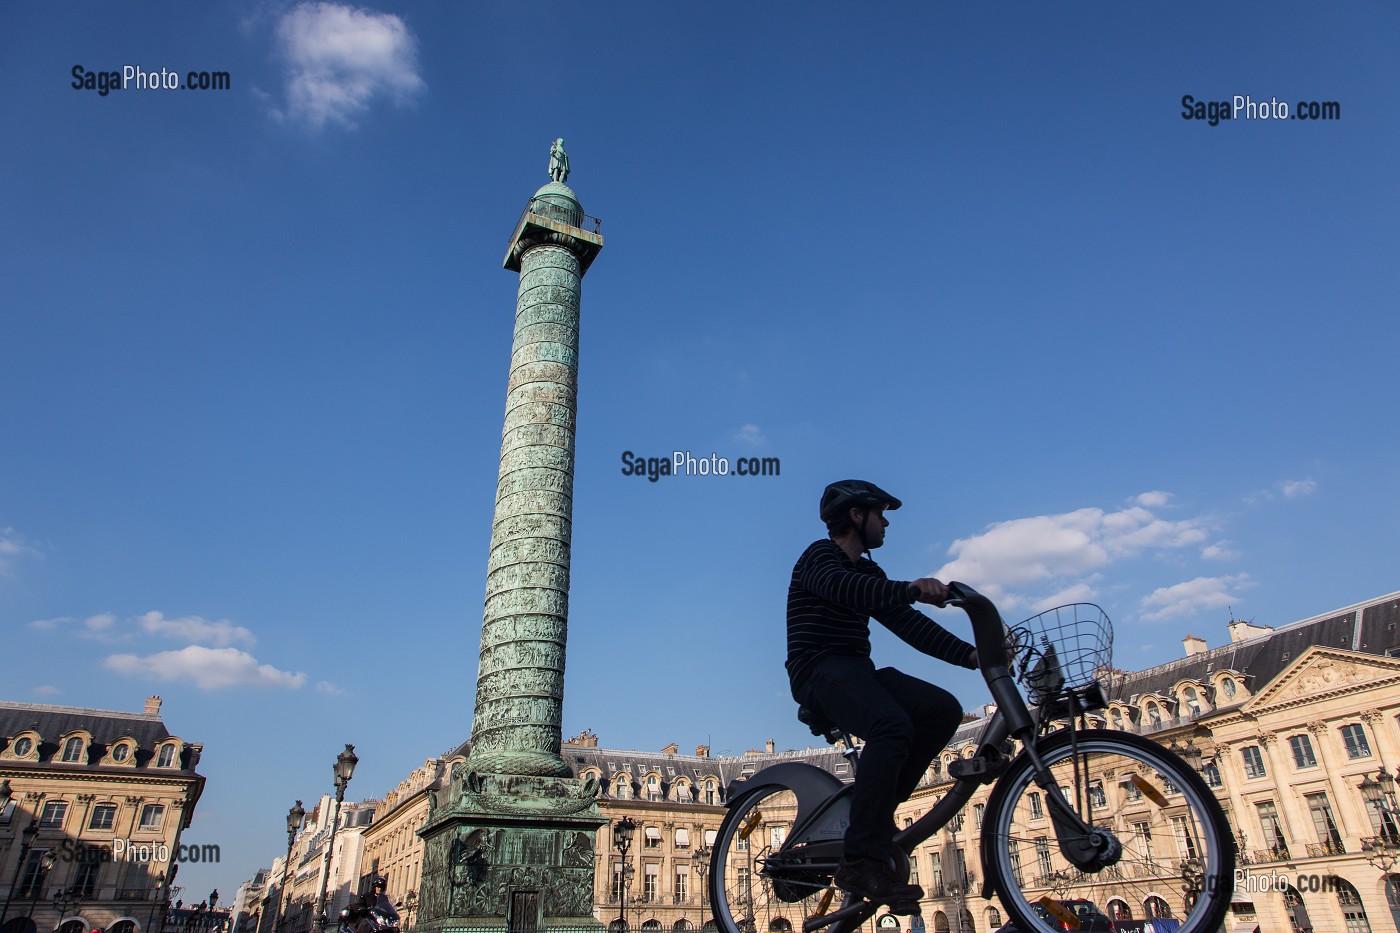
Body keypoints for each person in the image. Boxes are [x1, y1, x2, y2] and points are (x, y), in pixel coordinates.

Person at [787, 479, 979, 907]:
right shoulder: (820, 557)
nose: (886, 522)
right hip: (818, 669)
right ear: (857, 515)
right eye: (880, 513)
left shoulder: (869, 573)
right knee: (890, 724)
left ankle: (870, 819)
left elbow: (911, 626)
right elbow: (846, 589)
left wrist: (974, 655)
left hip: (858, 671)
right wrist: (911, 588)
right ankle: (859, 859)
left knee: (942, 709)